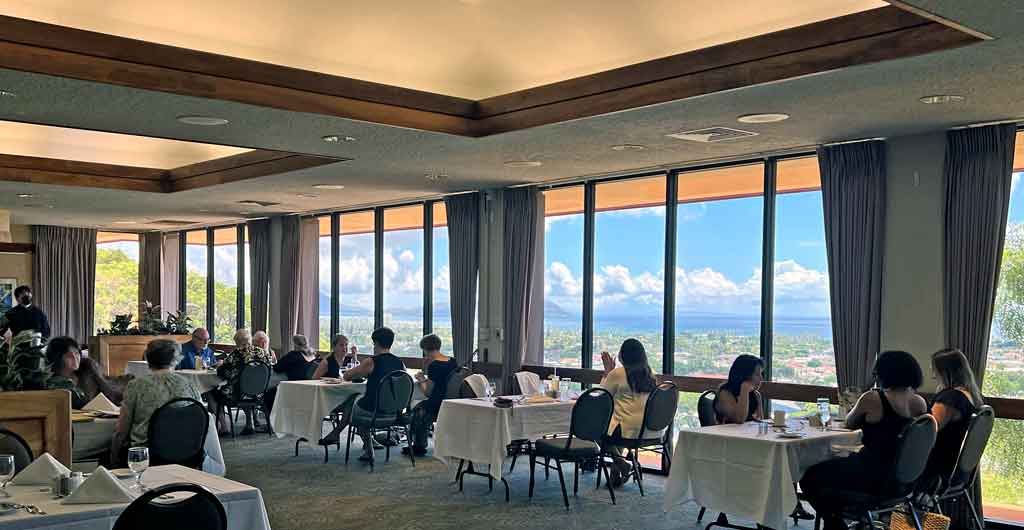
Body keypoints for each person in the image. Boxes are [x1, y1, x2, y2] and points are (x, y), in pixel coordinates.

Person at [800, 351, 929, 530]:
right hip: (902, 481)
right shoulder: (919, 403)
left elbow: (848, 423)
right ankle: (839, 520)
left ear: (884, 374)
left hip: (872, 475)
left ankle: (835, 522)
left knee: (810, 476)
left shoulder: (873, 398)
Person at [112, 339, 202, 464]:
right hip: (186, 452)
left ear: (148, 359)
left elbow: (122, 429)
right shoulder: (190, 385)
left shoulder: (136, 386)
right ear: (176, 359)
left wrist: (114, 452)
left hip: (148, 455)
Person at [921, 348, 984, 496]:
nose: (933, 375)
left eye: (935, 370)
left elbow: (927, 431)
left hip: (935, 470)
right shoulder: (971, 396)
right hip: (957, 472)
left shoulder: (951, 398)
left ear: (945, 372)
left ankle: (880, 514)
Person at [599, 338, 659, 488]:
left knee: (594, 429)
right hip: (649, 429)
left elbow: (602, 396)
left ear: (622, 355)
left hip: (626, 430)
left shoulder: (617, 374)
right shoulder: (650, 374)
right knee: (617, 426)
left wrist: (607, 372)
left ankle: (622, 464)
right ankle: (615, 474)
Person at [342, 327, 405, 462]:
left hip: (373, 412)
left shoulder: (372, 361)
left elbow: (347, 376)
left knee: (353, 402)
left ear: (375, 343)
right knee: (359, 405)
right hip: (393, 413)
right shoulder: (400, 363)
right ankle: (368, 447)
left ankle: (368, 448)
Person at [403, 334, 457, 457]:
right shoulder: (452, 361)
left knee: (416, 407)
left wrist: (421, 378)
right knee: (419, 405)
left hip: (437, 403)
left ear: (425, 349)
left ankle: (418, 445)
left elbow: (428, 393)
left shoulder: (434, 365)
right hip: (450, 401)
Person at [212, 328, 272, 434]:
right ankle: (250, 424)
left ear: (237, 342)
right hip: (260, 393)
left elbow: (222, 372)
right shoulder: (263, 353)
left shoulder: (236, 354)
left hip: (239, 394)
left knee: (213, 391)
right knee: (247, 388)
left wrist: (220, 365)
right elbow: (269, 369)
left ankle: (224, 427)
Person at [46, 336, 122, 408]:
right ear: (57, 359)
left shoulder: (88, 368)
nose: (75, 359)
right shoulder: (52, 382)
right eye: (69, 356)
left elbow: (107, 390)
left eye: (76, 353)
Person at [715, 354, 764, 424]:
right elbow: (739, 419)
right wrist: (744, 390)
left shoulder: (756, 395)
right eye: (757, 374)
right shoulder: (725, 393)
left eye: (761, 374)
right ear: (744, 375)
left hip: (746, 434)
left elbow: (760, 422)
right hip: (727, 434)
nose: (761, 378)